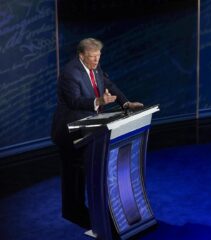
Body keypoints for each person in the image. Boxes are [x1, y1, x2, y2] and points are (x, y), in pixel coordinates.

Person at [51, 38, 143, 228]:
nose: (96, 60)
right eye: (92, 57)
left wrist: (125, 103)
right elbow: (75, 101)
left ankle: (81, 210)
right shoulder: (69, 74)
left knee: (83, 170)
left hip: (89, 127)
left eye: (98, 56)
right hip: (69, 131)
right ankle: (72, 211)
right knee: (73, 173)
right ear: (81, 55)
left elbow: (109, 83)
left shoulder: (96, 68)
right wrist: (99, 101)